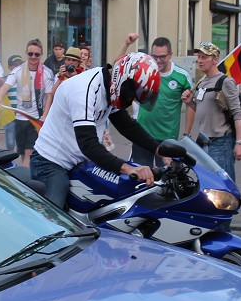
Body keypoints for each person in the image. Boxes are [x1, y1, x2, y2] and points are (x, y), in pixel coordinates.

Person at [30, 52, 166, 208]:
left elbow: (127, 126)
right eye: (131, 94)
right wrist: (128, 169)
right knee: (55, 219)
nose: (130, 99)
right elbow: (88, 143)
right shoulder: (84, 90)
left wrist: (159, 150)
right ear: (122, 79)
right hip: (51, 162)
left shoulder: (110, 88)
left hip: (80, 161)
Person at [186, 41, 241, 182]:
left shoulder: (225, 82)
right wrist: (189, 102)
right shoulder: (201, 81)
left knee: (224, 185)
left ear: (215, 60)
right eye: (199, 57)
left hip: (221, 143)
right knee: (209, 185)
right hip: (204, 142)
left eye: (205, 57)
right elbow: (202, 109)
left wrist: (239, 143)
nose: (200, 61)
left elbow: (238, 113)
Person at [131, 36, 194, 167]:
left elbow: (191, 105)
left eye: (162, 57)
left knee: (168, 180)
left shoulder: (181, 76)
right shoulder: (145, 72)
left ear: (171, 55)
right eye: (154, 56)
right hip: (143, 135)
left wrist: (187, 134)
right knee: (141, 179)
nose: (158, 60)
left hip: (167, 138)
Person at [0, 40, 54, 167]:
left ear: (41, 54)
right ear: (26, 53)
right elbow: (6, 85)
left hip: (35, 119)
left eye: (36, 54)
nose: (33, 57)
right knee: (22, 152)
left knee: (29, 153)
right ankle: (26, 174)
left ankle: (26, 180)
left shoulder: (47, 73)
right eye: (31, 54)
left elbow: (49, 96)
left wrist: (44, 115)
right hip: (20, 117)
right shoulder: (18, 70)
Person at [42, 45, 84, 114]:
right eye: (68, 59)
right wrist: (60, 77)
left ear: (78, 63)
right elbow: (53, 93)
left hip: (77, 110)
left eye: (74, 60)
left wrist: (75, 76)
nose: (70, 62)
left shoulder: (83, 75)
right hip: (62, 109)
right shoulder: (60, 74)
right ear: (65, 61)